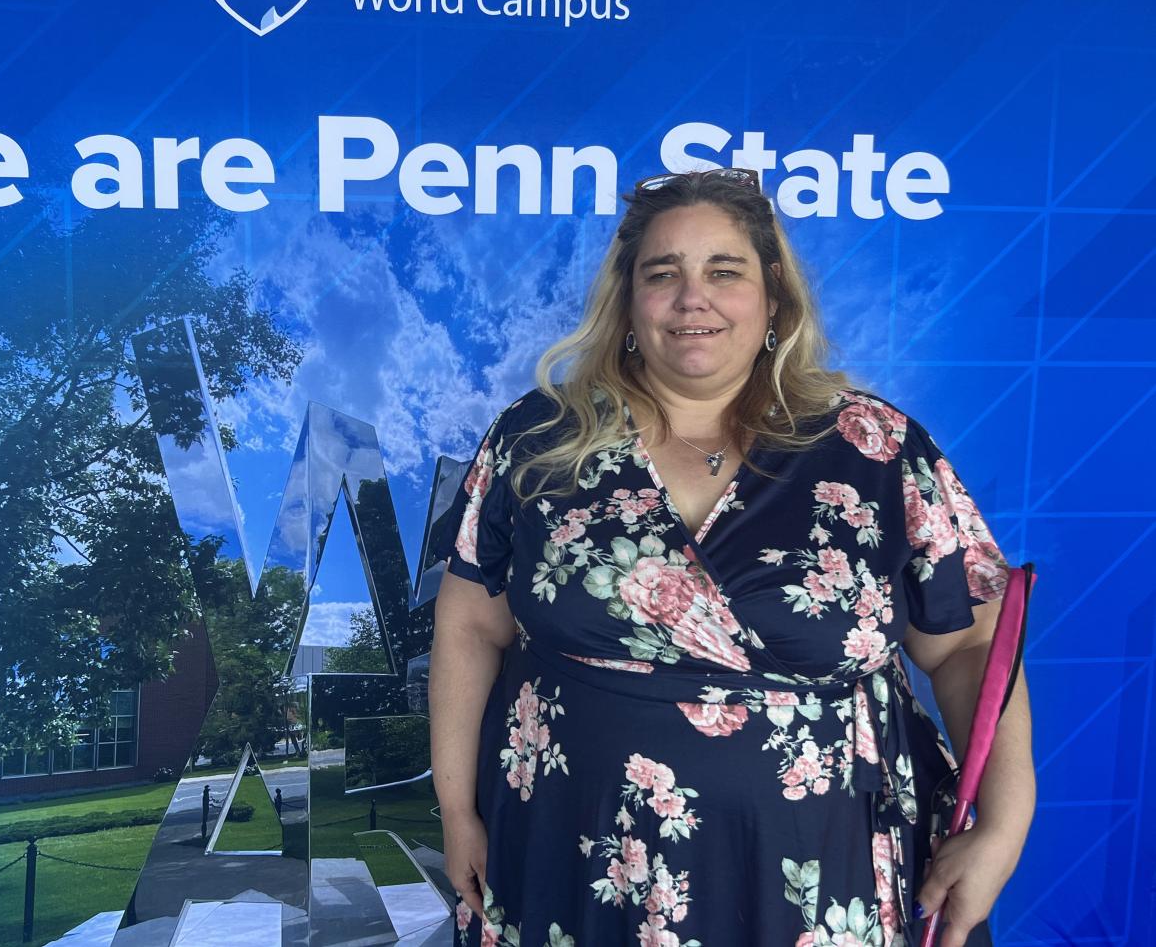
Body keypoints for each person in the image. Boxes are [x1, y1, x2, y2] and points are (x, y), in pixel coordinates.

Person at [426, 168, 1034, 947]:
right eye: (663, 273)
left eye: (724, 271)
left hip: (826, 876)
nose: (693, 298)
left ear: (773, 296)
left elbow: (971, 642)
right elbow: (472, 622)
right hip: (574, 864)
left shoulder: (876, 449)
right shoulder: (539, 440)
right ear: (628, 299)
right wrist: (456, 808)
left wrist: (1007, 821)